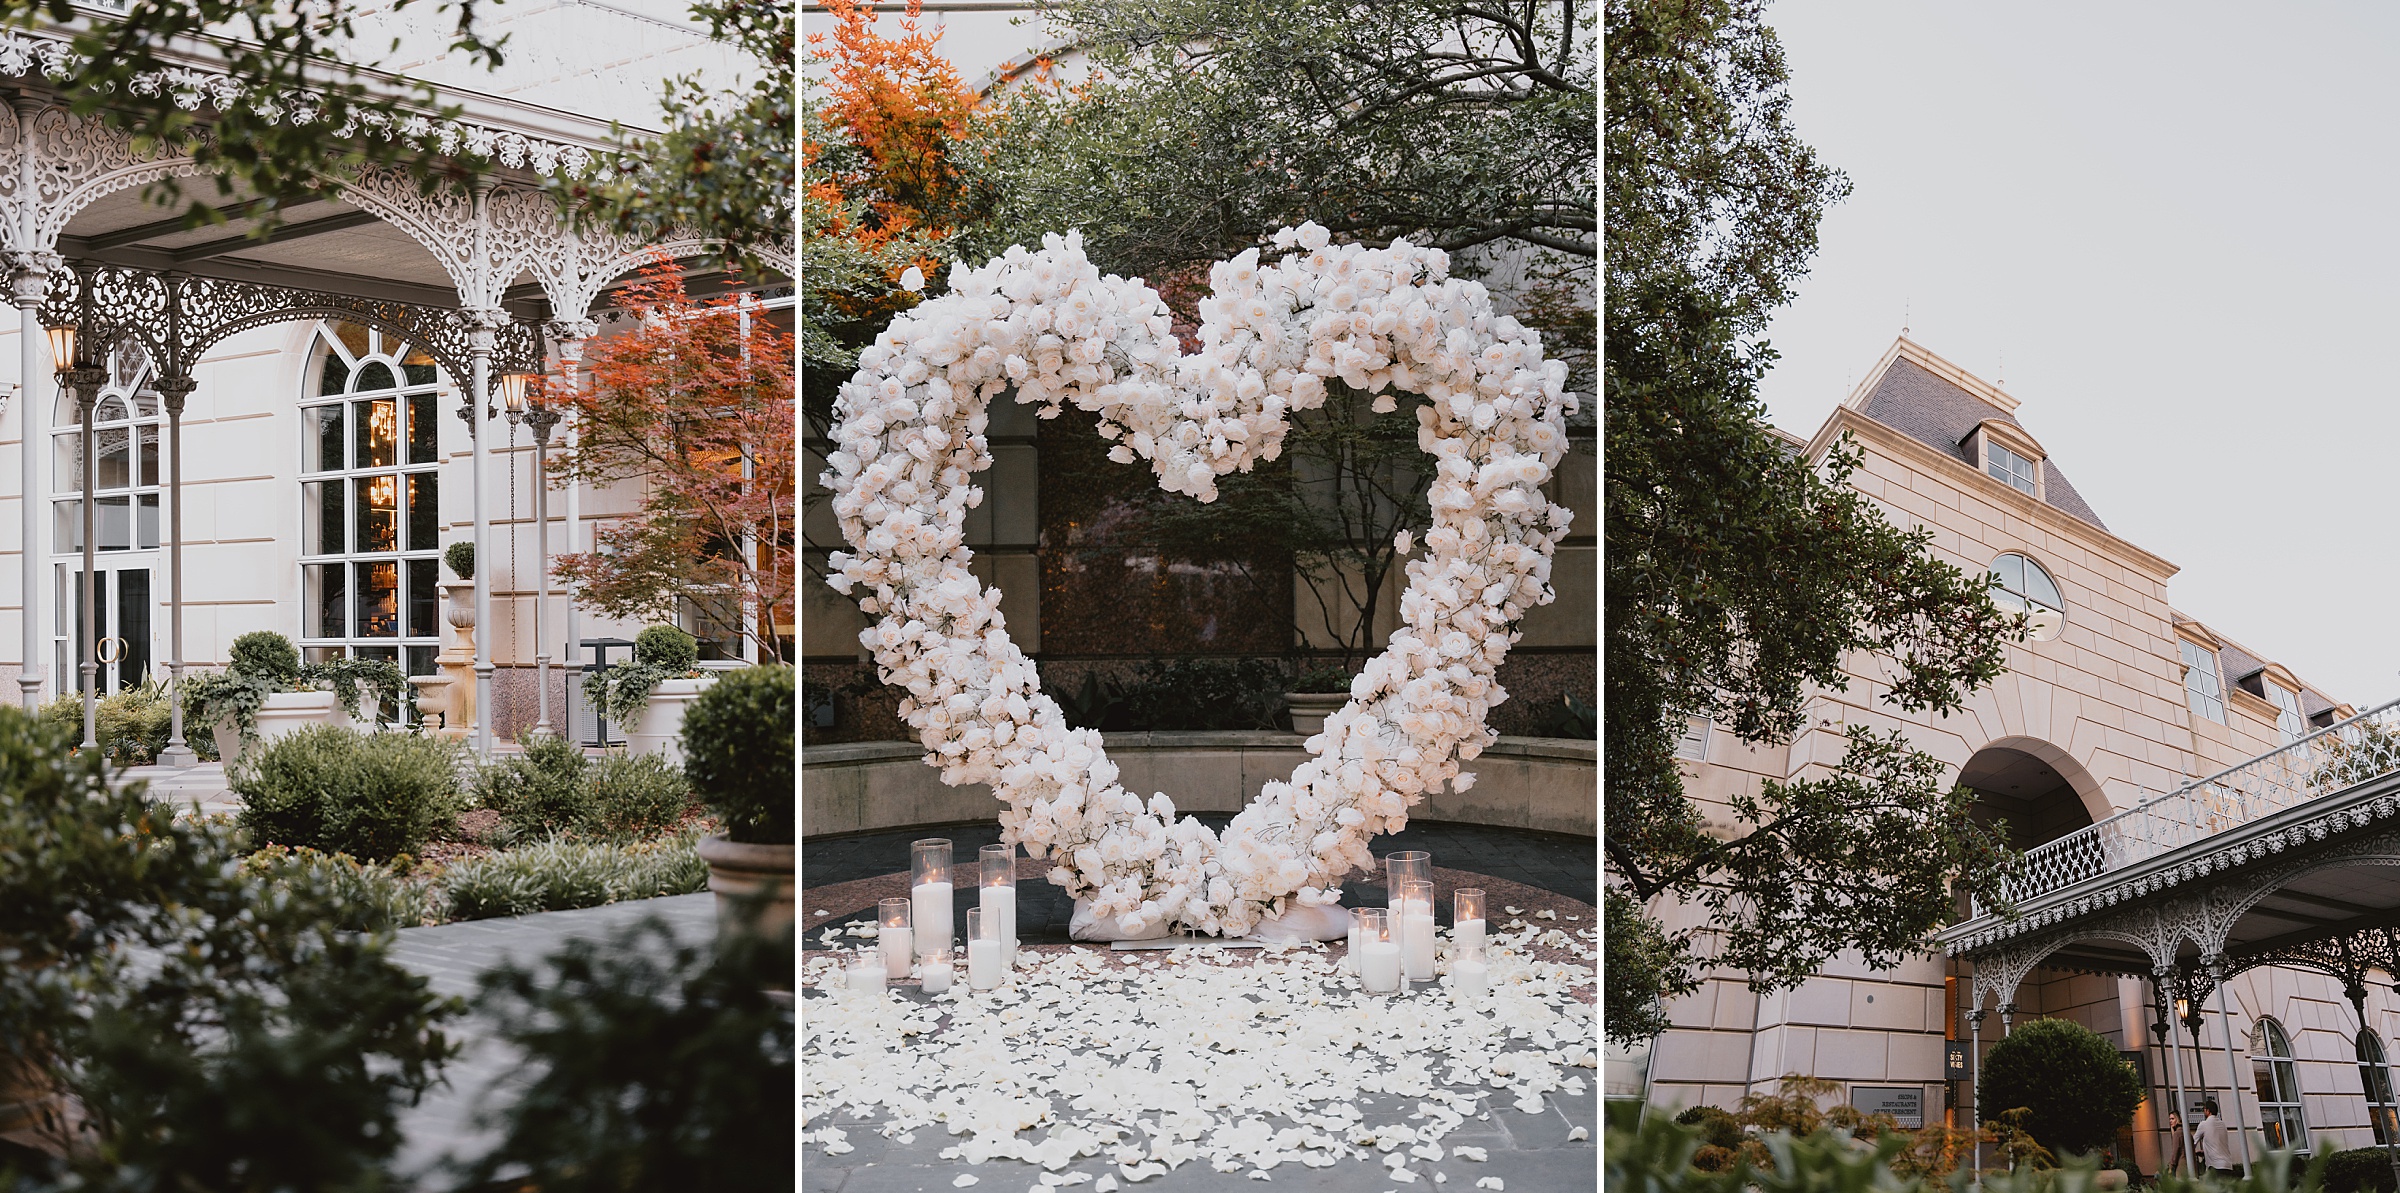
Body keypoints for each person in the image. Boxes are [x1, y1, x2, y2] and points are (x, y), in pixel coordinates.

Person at [2196, 1099, 2238, 1178]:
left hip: (2215, 1166)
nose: (2203, 1112)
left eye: (2204, 1110)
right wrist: (2205, 1151)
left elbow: (2192, 1142)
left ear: (2208, 1111)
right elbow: (2217, 1143)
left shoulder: (2204, 1124)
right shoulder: (2222, 1124)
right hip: (2228, 1165)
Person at [2160, 1110, 2186, 1177]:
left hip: (2181, 1166)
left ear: (2177, 1119)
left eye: (2172, 1119)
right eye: (2170, 1119)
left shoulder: (2177, 1134)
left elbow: (2175, 1152)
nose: (2170, 1121)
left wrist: (2171, 1166)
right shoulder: (2184, 1131)